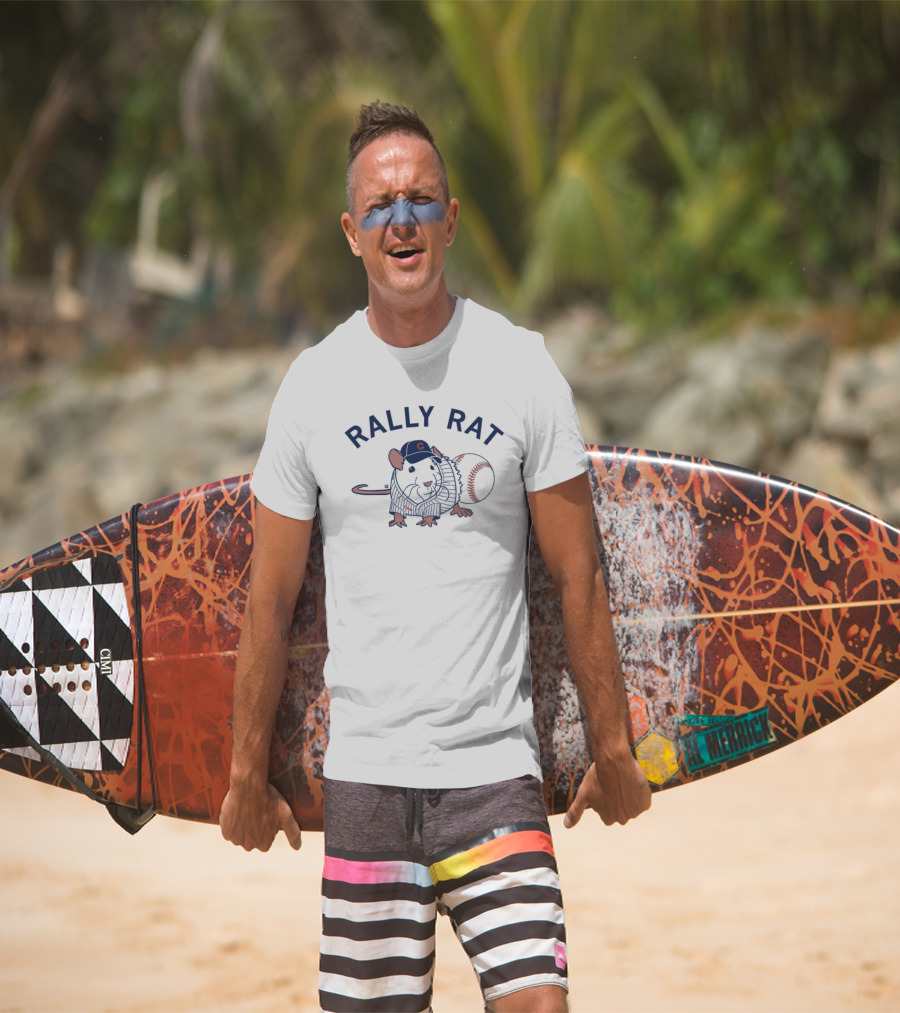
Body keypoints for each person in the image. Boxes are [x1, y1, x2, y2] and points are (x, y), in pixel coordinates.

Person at [220, 100, 651, 1013]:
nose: (402, 220)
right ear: (351, 232)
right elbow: (270, 599)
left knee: (540, 1003)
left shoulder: (522, 367)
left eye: (421, 200)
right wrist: (242, 772)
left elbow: (579, 574)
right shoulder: (313, 387)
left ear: (451, 219)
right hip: (368, 778)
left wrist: (612, 746)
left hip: (495, 772)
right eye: (380, 206)